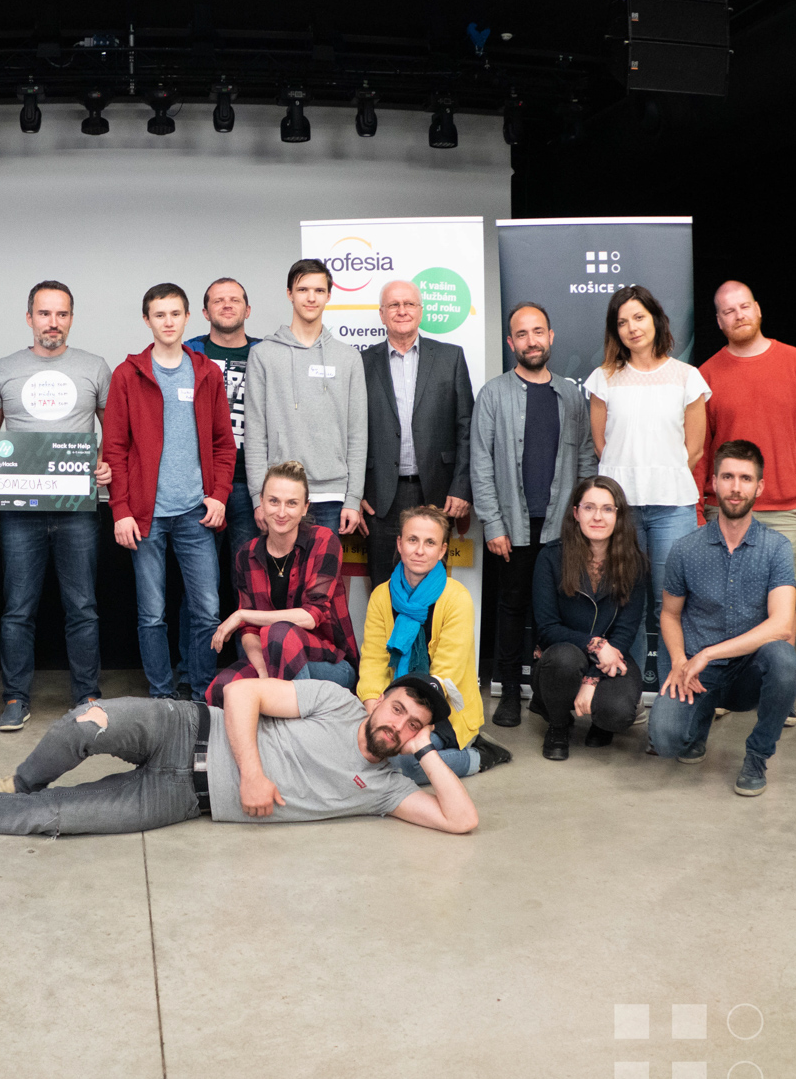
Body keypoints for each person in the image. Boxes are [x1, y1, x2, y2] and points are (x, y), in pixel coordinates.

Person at [0, 674, 478, 843]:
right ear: (381, 698)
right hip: (185, 728)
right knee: (86, 723)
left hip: (181, 801)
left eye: (414, 726)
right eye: (398, 708)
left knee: (51, 819)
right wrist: (254, 774)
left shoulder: (386, 790)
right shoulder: (337, 702)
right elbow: (242, 694)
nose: (398, 725)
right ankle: (18, 781)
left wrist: (426, 753)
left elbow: (461, 820)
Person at [0, 280, 112, 731]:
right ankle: (15, 698)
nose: (52, 322)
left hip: (77, 508)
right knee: (18, 607)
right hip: (20, 509)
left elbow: (113, 432)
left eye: (61, 314)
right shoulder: (4, 369)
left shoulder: (94, 367)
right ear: (29, 317)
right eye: (44, 313)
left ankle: (88, 695)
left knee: (83, 606)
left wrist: (105, 464)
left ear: (71, 318)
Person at [698, 280, 796, 728]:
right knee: (721, 605)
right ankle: (721, 690)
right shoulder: (707, 374)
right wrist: (700, 505)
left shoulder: (794, 362)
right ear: (719, 322)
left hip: (785, 509)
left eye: (744, 306)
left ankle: (778, 694)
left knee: (780, 610)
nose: (738, 315)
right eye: (728, 311)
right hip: (724, 509)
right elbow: (701, 451)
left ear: (758, 309)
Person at [101, 283, 236, 701]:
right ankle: (161, 696)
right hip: (145, 516)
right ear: (147, 320)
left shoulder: (206, 372)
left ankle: (201, 692)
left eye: (175, 314)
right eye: (159, 315)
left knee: (207, 610)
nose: (168, 322)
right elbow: (114, 448)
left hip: (197, 511)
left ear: (188, 317)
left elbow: (223, 443)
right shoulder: (128, 375)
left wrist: (219, 495)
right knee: (152, 614)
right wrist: (120, 509)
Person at [469, 301, 597, 728]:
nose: (531, 341)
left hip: (562, 528)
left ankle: (547, 696)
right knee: (511, 609)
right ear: (511, 343)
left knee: (556, 614)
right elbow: (480, 463)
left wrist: (583, 521)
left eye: (538, 332)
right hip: (512, 527)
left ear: (551, 336)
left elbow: (586, 459)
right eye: (521, 334)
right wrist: (493, 522)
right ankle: (508, 693)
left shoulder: (571, 396)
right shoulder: (492, 394)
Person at [648, 441, 796, 797]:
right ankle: (698, 725)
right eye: (728, 477)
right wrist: (680, 661)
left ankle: (757, 756)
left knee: (783, 658)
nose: (736, 487)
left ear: (759, 487)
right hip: (699, 674)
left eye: (746, 478)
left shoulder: (776, 548)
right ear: (714, 482)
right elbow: (669, 614)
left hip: (748, 672)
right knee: (666, 740)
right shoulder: (686, 549)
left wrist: (709, 653)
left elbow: (782, 625)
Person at [585, 285, 709, 682]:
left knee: (671, 604)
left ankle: (678, 693)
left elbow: (694, 448)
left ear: (656, 319)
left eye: (639, 317)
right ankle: (626, 694)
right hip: (621, 512)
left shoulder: (687, 377)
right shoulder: (604, 378)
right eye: (622, 322)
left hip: (673, 508)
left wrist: (660, 476)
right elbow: (602, 445)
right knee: (625, 605)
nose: (632, 328)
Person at [359, 505, 511, 783]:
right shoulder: (381, 595)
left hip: (444, 708)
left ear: (442, 551)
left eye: (430, 543)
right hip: (394, 703)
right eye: (412, 540)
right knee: (366, 749)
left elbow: (445, 675)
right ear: (399, 544)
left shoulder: (457, 598)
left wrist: (413, 725)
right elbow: (373, 662)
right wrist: (375, 712)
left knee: (405, 764)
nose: (420, 550)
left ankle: (479, 755)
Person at [204, 460, 357, 705]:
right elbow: (250, 631)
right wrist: (264, 678)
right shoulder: (247, 554)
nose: (282, 512)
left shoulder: (323, 540)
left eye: (292, 503)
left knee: (279, 633)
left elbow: (311, 616)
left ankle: (295, 725)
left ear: (305, 508)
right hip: (271, 660)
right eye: (274, 501)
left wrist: (241, 614)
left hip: (330, 665)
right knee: (223, 688)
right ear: (261, 503)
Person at [359, 279, 475, 590]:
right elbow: (349, 431)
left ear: (421, 311)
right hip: (379, 496)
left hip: (436, 492)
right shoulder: (362, 363)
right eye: (393, 305)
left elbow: (466, 427)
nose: (402, 311)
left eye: (409, 304)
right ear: (382, 314)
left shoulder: (451, 357)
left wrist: (462, 487)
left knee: (431, 589)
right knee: (383, 588)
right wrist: (354, 493)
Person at [244, 259, 367, 538]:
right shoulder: (263, 355)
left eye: (319, 290)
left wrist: (353, 498)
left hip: (332, 496)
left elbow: (358, 434)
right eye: (303, 290)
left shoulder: (348, 358)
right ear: (289, 294)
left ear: (329, 296)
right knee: (279, 569)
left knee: (323, 569)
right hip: (279, 496)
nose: (311, 298)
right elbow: (255, 433)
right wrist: (258, 497)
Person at [178, 276, 259, 692]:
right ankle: (192, 676)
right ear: (205, 311)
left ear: (248, 309)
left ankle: (251, 677)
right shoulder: (188, 353)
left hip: (252, 484)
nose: (227, 306)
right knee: (197, 589)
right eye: (218, 300)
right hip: (202, 488)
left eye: (235, 300)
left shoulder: (265, 354)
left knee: (250, 586)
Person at [531, 476, 648, 760]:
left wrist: (592, 678)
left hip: (611, 656)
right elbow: (547, 628)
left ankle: (601, 722)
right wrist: (595, 644)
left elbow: (625, 631)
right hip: (563, 656)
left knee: (618, 713)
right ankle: (558, 725)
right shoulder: (551, 557)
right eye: (589, 507)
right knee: (564, 659)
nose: (598, 517)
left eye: (607, 509)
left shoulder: (634, 563)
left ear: (619, 516)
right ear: (576, 513)